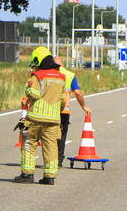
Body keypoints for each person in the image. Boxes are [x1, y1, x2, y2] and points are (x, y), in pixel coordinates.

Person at [14, 47, 65, 185]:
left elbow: (33, 93)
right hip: (54, 120)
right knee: (51, 147)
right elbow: (63, 100)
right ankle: (49, 177)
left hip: (36, 118)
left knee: (29, 143)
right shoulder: (61, 77)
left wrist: (28, 89)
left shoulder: (38, 76)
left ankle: (27, 175)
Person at [51, 51, 92, 166]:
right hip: (64, 110)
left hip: (48, 110)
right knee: (62, 135)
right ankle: (58, 160)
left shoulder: (46, 74)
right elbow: (78, 93)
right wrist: (84, 106)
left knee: (48, 135)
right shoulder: (69, 75)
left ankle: (49, 159)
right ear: (62, 65)